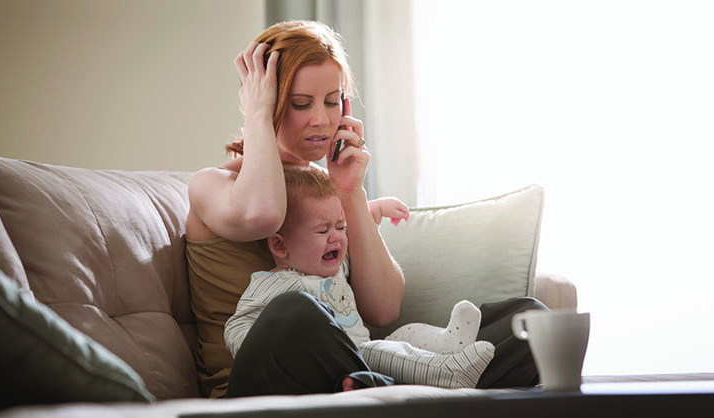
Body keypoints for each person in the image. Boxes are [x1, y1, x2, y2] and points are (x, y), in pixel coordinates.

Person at [185, 20, 546, 399]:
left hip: (348, 365)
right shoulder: (212, 185)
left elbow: (383, 310)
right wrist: (256, 114)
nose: (321, 120)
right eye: (301, 103)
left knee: (529, 321)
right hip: (257, 382)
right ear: (267, 98)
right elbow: (264, 215)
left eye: (331, 101)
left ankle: (388, 390)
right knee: (294, 311)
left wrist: (349, 191)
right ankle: (394, 387)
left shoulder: (328, 189)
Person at [224, 169, 494, 391]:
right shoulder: (273, 283)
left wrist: (374, 210)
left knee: (404, 336)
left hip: (369, 350)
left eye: (340, 227)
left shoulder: (338, 265)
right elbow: (237, 325)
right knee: (376, 351)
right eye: (322, 230)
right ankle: (448, 374)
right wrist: (267, 343)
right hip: (356, 355)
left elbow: (362, 233)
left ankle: (450, 345)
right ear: (280, 247)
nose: (337, 237)